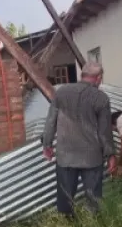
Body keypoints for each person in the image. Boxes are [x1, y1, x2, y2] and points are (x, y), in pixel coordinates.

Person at [42, 62, 117, 218]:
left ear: (82, 75)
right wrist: (110, 154)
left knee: (65, 196)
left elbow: (51, 121)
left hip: (66, 156)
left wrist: (47, 144)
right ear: (98, 78)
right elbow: (105, 131)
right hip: (91, 157)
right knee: (93, 197)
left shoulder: (61, 92)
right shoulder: (101, 98)